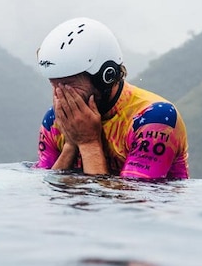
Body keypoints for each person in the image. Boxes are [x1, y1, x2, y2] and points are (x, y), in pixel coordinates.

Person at [34, 17, 189, 180]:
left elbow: (133, 202)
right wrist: (71, 145)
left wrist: (88, 143)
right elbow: (47, 194)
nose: (59, 95)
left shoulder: (155, 119)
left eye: (68, 84)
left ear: (106, 76)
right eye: (53, 84)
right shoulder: (55, 120)